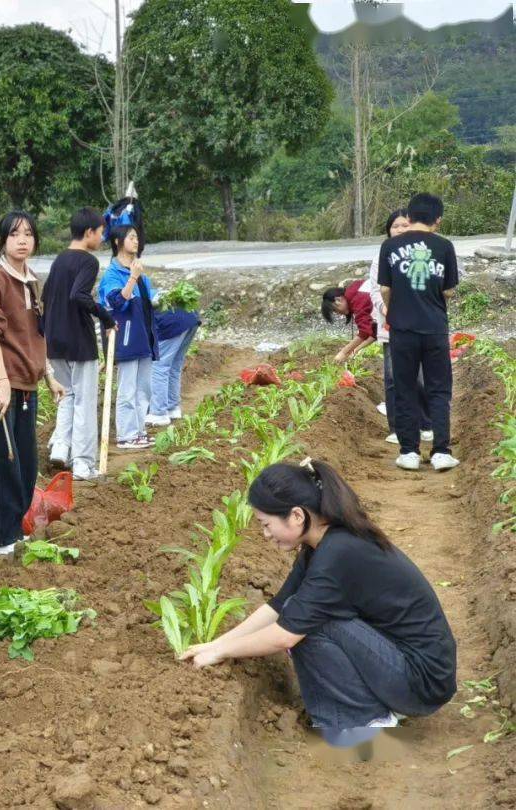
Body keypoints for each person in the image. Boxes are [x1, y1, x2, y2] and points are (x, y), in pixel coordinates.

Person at [181, 459, 456, 748]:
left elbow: (284, 634)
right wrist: (214, 645)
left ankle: (364, 721)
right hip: (407, 664)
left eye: (266, 524)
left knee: (307, 625)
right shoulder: (325, 543)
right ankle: (357, 710)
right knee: (297, 612)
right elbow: (277, 605)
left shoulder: (337, 553)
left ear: (297, 515)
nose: (265, 535)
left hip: (421, 680)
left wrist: (222, 652)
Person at [0, 211, 65, 556]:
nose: (22, 240)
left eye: (28, 234)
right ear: (3, 241)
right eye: (14, 234)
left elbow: (36, 336)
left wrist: (49, 376)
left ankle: (15, 528)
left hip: (26, 384)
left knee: (25, 462)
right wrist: (2, 382)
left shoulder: (31, 280)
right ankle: (0, 538)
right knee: (1, 461)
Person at [377, 193, 460, 471]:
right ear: (438, 219)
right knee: (438, 390)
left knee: (405, 389)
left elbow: (385, 289)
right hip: (435, 328)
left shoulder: (390, 246)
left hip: (402, 329)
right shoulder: (445, 246)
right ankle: (441, 452)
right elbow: (448, 289)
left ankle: (409, 452)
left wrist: (395, 308)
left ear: (409, 217)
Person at [42, 207, 116, 479]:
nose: (102, 237)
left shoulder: (59, 260)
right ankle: (84, 463)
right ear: (89, 233)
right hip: (79, 340)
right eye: (100, 232)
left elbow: (47, 295)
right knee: (84, 400)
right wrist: (106, 317)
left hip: (55, 340)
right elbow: (79, 295)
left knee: (67, 395)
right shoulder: (88, 261)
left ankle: (60, 448)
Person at [365, 209, 433, 446]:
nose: (401, 229)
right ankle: (397, 428)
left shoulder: (424, 253)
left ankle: (426, 424)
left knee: (421, 376)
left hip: (420, 325)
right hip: (391, 326)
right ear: (388, 230)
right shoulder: (381, 257)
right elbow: (376, 290)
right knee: (394, 378)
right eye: (396, 226)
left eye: (406, 225)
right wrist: (386, 309)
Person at [99, 224, 157, 450]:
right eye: (131, 237)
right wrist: (132, 278)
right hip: (125, 338)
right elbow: (116, 302)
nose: (136, 241)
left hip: (143, 337)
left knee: (144, 388)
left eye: (137, 238)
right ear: (117, 241)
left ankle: (139, 430)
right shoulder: (113, 274)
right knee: (127, 389)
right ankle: (126, 434)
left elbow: (147, 301)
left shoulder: (139, 272)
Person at [147, 297, 201, 427]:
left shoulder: (126, 296)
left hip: (171, 321)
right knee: (174, 365)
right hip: (190, 317)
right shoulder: (142, 284)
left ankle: (158, 413)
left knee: (159, 366)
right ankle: (172, 408)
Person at [320, 280, 375, 363]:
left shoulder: (358, 298)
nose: (338, 314)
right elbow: (376, 331)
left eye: (335, 310)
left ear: (338, 300)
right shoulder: (356, 290)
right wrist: (354, 350)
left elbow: (365, 331)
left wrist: (343, 352)